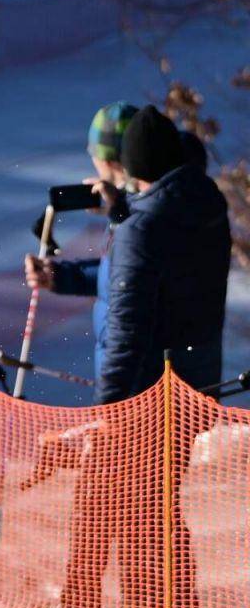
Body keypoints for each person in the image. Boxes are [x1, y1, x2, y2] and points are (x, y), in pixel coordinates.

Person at [25, 104, 228, 403]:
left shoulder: (142, 228)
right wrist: (63, 275)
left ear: (121, 162)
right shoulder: (203, 201)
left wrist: (107, 410)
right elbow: (152, 277)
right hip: (197, 387)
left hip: (147, 399)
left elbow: (126, 335)